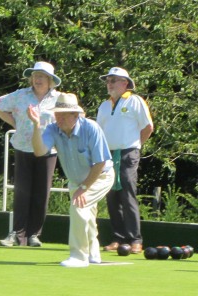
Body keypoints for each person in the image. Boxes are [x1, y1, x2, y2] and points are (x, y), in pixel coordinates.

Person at [27, 92, 115, 267]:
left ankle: (78, 256)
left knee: (78, 206)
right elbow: (39, 151)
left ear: (76, 115)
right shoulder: (53, 129)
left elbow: (100, 162)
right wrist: (36, 125)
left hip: (100, 176)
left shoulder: (91, 128)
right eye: (57, 114)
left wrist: (84, 187)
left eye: (63, 115)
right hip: (77, 181)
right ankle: (92, 252)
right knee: (87, 214)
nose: (59, 118)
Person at [0, 61, 61, 247]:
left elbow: (68, 118)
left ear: (50, 80)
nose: (37, 80)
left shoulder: (58, 99)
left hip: (47, 150)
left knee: (42, 193)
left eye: (41, 76)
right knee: (22, 193)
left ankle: (34, 235)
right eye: (35, 76)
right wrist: (16, 124)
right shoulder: (21, 95)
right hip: (23, 147)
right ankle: (16, 234)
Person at [97, 67, 154, 254]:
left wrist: (135, 146)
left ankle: (135, 239)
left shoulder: (135, 101)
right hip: (108, 154)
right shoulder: (104, 106)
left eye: (114, 80)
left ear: (125, 83)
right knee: (111, 195)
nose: (110, 84)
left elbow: (148, 127)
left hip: (129, 152)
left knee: (127, 192)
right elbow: (98, 132)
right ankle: (118, 238)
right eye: (108, 80)